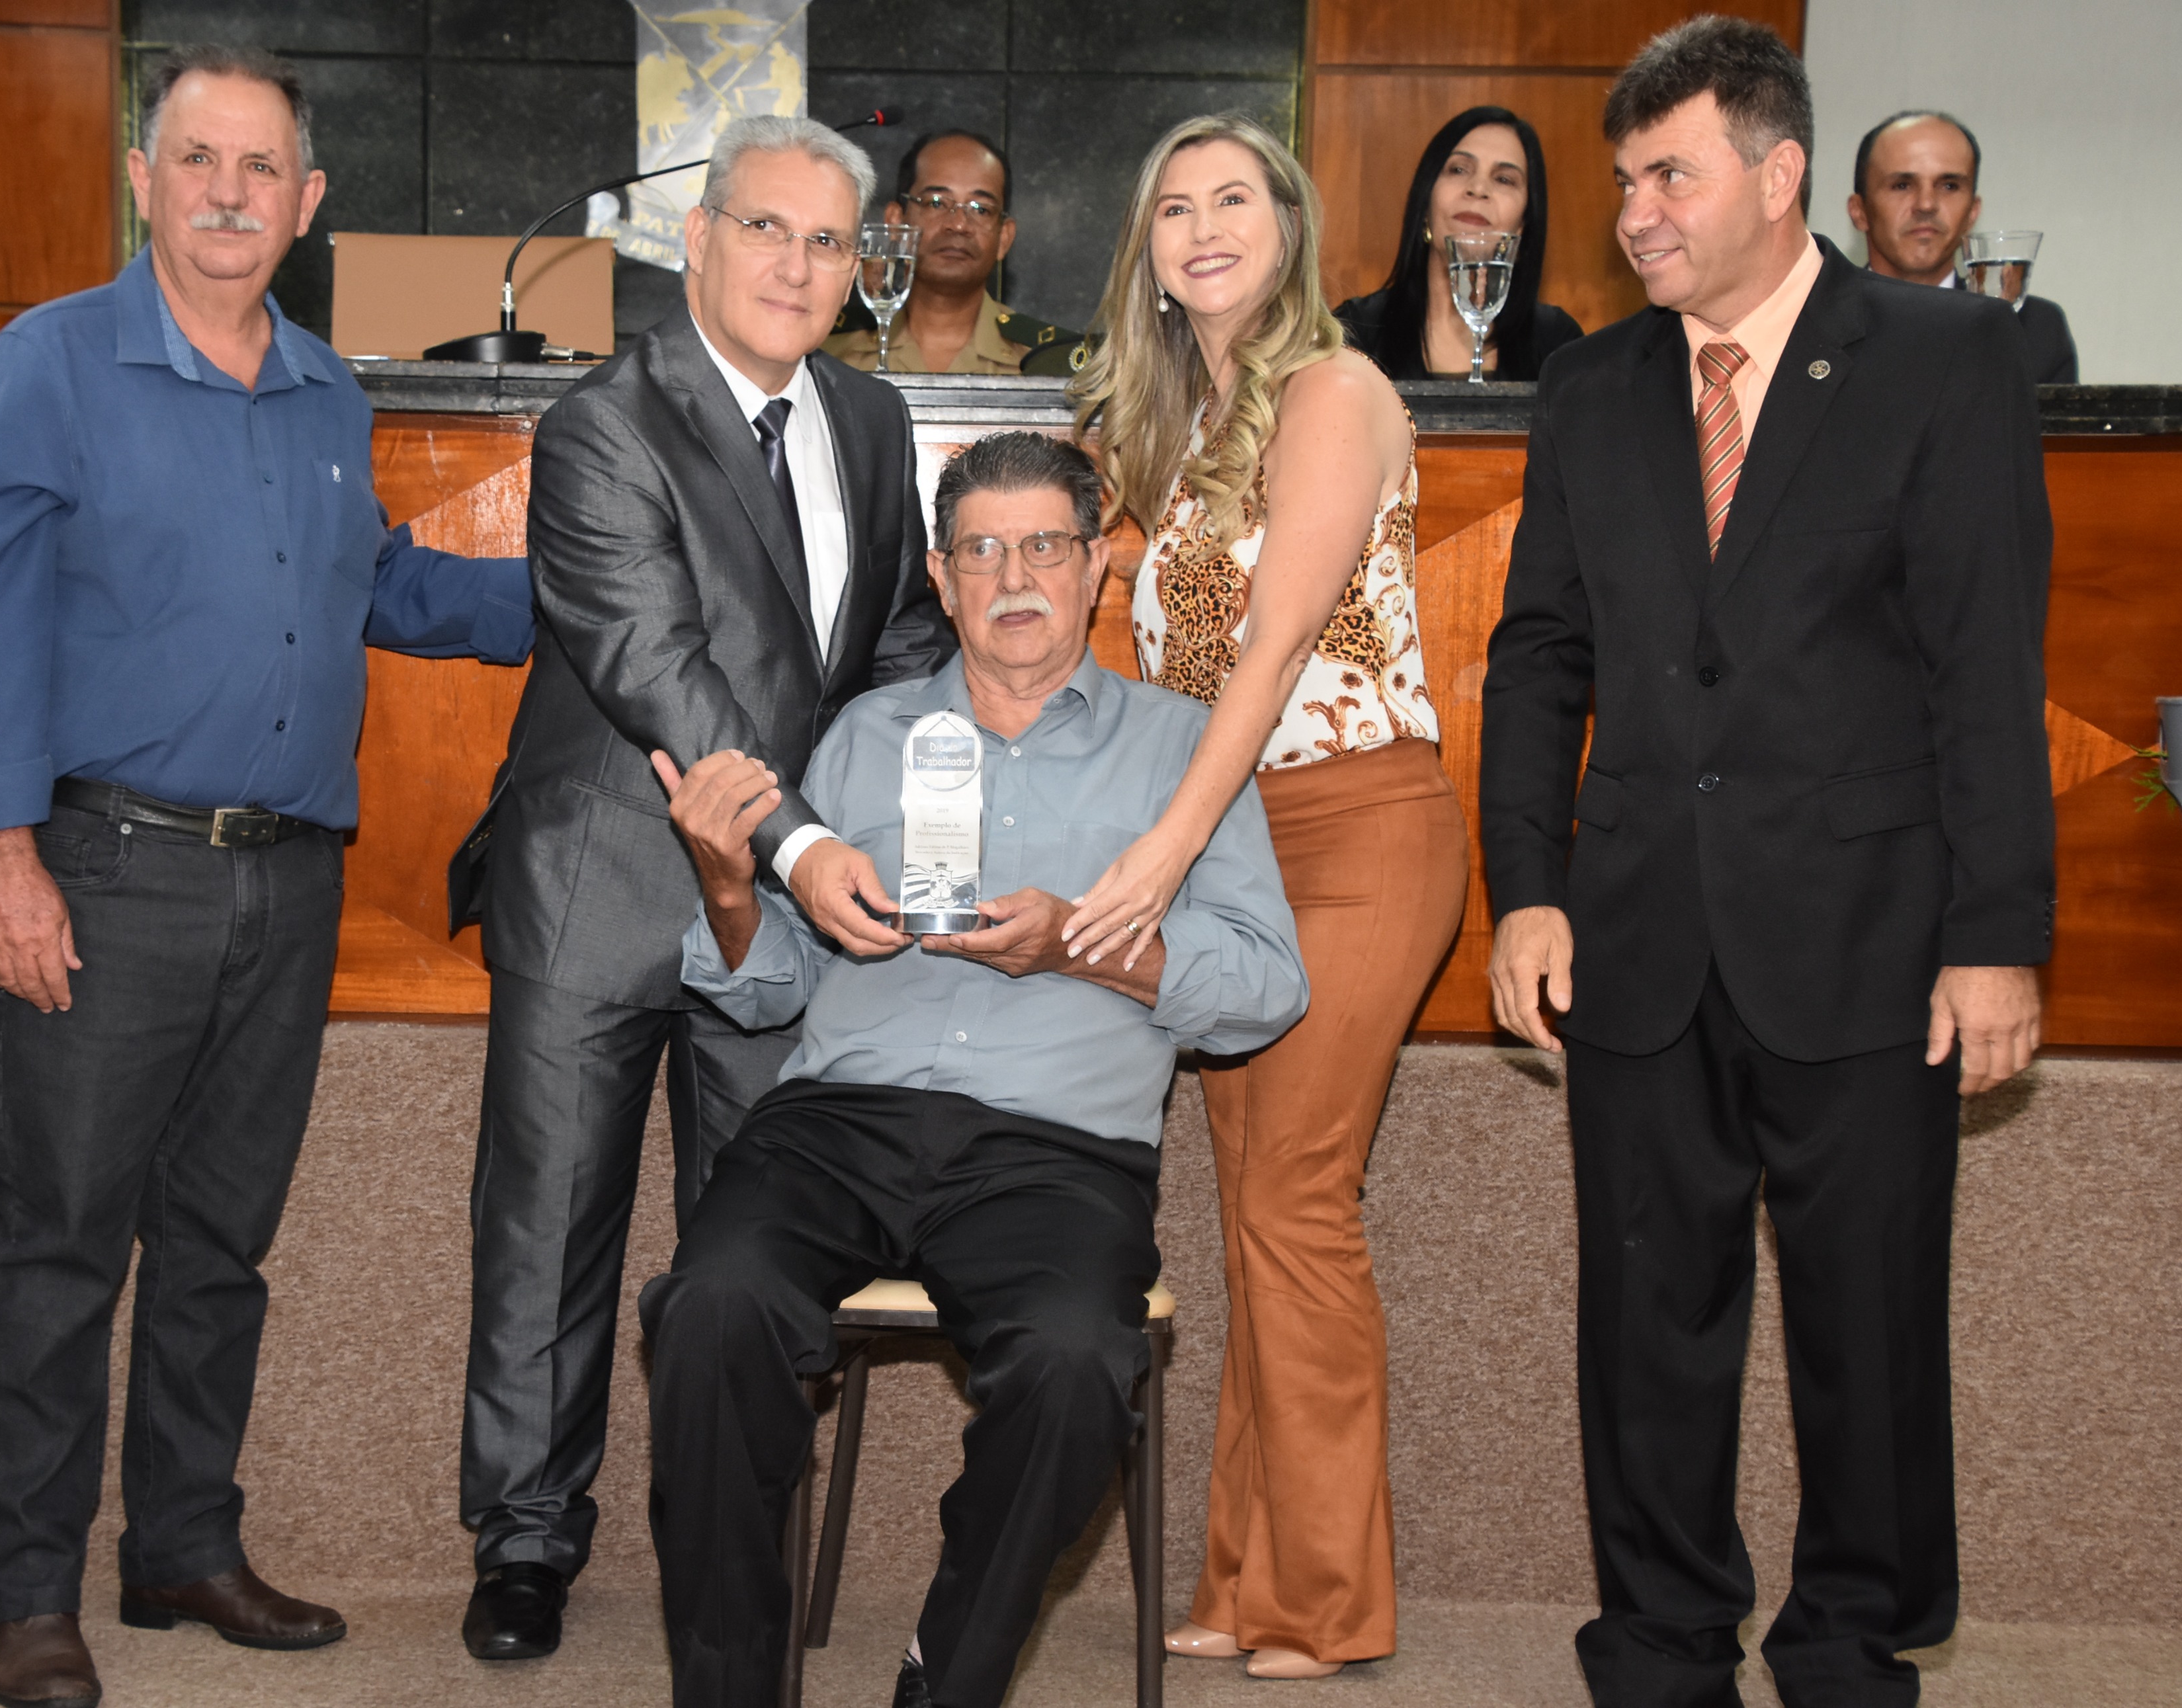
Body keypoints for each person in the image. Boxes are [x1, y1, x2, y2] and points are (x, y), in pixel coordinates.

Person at [0, 45, 532, 1708]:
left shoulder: (327, 392)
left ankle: (182, 1544)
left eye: (263, 169)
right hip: (103, 871)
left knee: (217, 1244)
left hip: (289, 884)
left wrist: (579, 594)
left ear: (308, 202)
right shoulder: (50, 364)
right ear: (144, 178)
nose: (228, 194)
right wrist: (0, 860)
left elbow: (371, 582)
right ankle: (26, 1591)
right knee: (61, 1244)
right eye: (198, 159)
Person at [1482, 19, 2053, 1707]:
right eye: (1624, 181)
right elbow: (1540, 655)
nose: (1634, 213)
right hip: (1636, 930)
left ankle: (1849, 1643)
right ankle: (1660, 1644)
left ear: (1778, 171)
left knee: (1866, 1325)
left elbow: (1984, 666)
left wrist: (1996, 932)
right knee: (1646, 1323)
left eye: (1670, 175)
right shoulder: (1590, 384)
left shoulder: (1945, 358)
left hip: (1871, 934)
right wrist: (1526, 887)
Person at [642, 430, 1308, 1708]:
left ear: (1096, 567)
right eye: (982, 551)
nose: (1014, 577)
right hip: (836, 1122)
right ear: (942, 580)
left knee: (1073, 1359)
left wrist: (1082, 946)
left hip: (1055, 1147)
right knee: (709, 1307)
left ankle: (943, 1680)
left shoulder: (1184, 750)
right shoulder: (863, 734)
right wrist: (729, 883)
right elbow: (768, 985)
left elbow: (1265, 990)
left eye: (1045, 545)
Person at [456, 114, 956, 1663]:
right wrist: (806, 843)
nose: (796, 266)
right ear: (696, 239)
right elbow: (655, 666)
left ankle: (729, 1537)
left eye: (828, 241)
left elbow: (895, 641)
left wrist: (951, 794)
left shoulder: (870, 419)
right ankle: (524, 1539)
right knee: (551, 1221)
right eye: (765, 229)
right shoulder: (602, 423)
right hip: (602, 874)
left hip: (785, 913)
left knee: (754, 1232)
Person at [1064, 113, 1470, 1680]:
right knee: (1252, 1216)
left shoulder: (1335, 390)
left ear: (1288, 227)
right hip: (1236, 841)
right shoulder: (1181, 427)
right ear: (1149, 254)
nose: (1204, 226)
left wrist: (1159, 854)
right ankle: (1246, 1577)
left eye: (1233, 197)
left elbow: (1278, 643)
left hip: (1356, 827)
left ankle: (1326, 1598)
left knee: (1295, 1201)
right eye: (1173, 206)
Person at [1334, 106, 1585, 381]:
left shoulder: (1556, 341)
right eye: (1458, 169)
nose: (1478, 189)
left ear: (1523, 224)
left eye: (1504, 179)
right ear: (1425, 205)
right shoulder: (1355, 332)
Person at [821, 130, 1085, 377]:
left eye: (981, 209)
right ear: (895, 223)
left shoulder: (1051, 361)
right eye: (936, 203)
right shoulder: (825, 349)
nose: (959, 225)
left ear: (1004, 238)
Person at [1848, 109, 2078, 383]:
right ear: (1859, 211)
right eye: (1902, 185)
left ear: (1972, 213)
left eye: (1949, 186)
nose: (1926, 205)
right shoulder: (1816, 320)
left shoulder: (2033, 329)